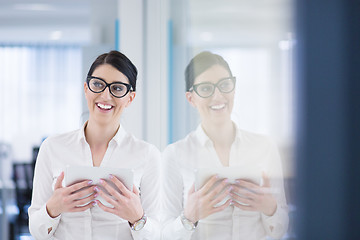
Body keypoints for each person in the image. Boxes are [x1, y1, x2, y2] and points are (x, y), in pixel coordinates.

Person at [28, 50, 161, 240]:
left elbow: (157, 233)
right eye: (98, 84)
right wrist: (53, 208)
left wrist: (137, 218)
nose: (105, 96)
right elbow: (36, 230)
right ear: (86, 88)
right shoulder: (52, 148)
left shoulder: (148, 155)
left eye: (117, 88)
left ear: (130, 98)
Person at [162, 51, 289, 240]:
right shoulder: (175, 155)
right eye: (206, 88)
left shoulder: (264, 147)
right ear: (191, 98)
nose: (218, 95)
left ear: (234, 89)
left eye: (225, 85)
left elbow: (281, 230)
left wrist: (269, 208)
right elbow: (163, 234)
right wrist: (189, 217)